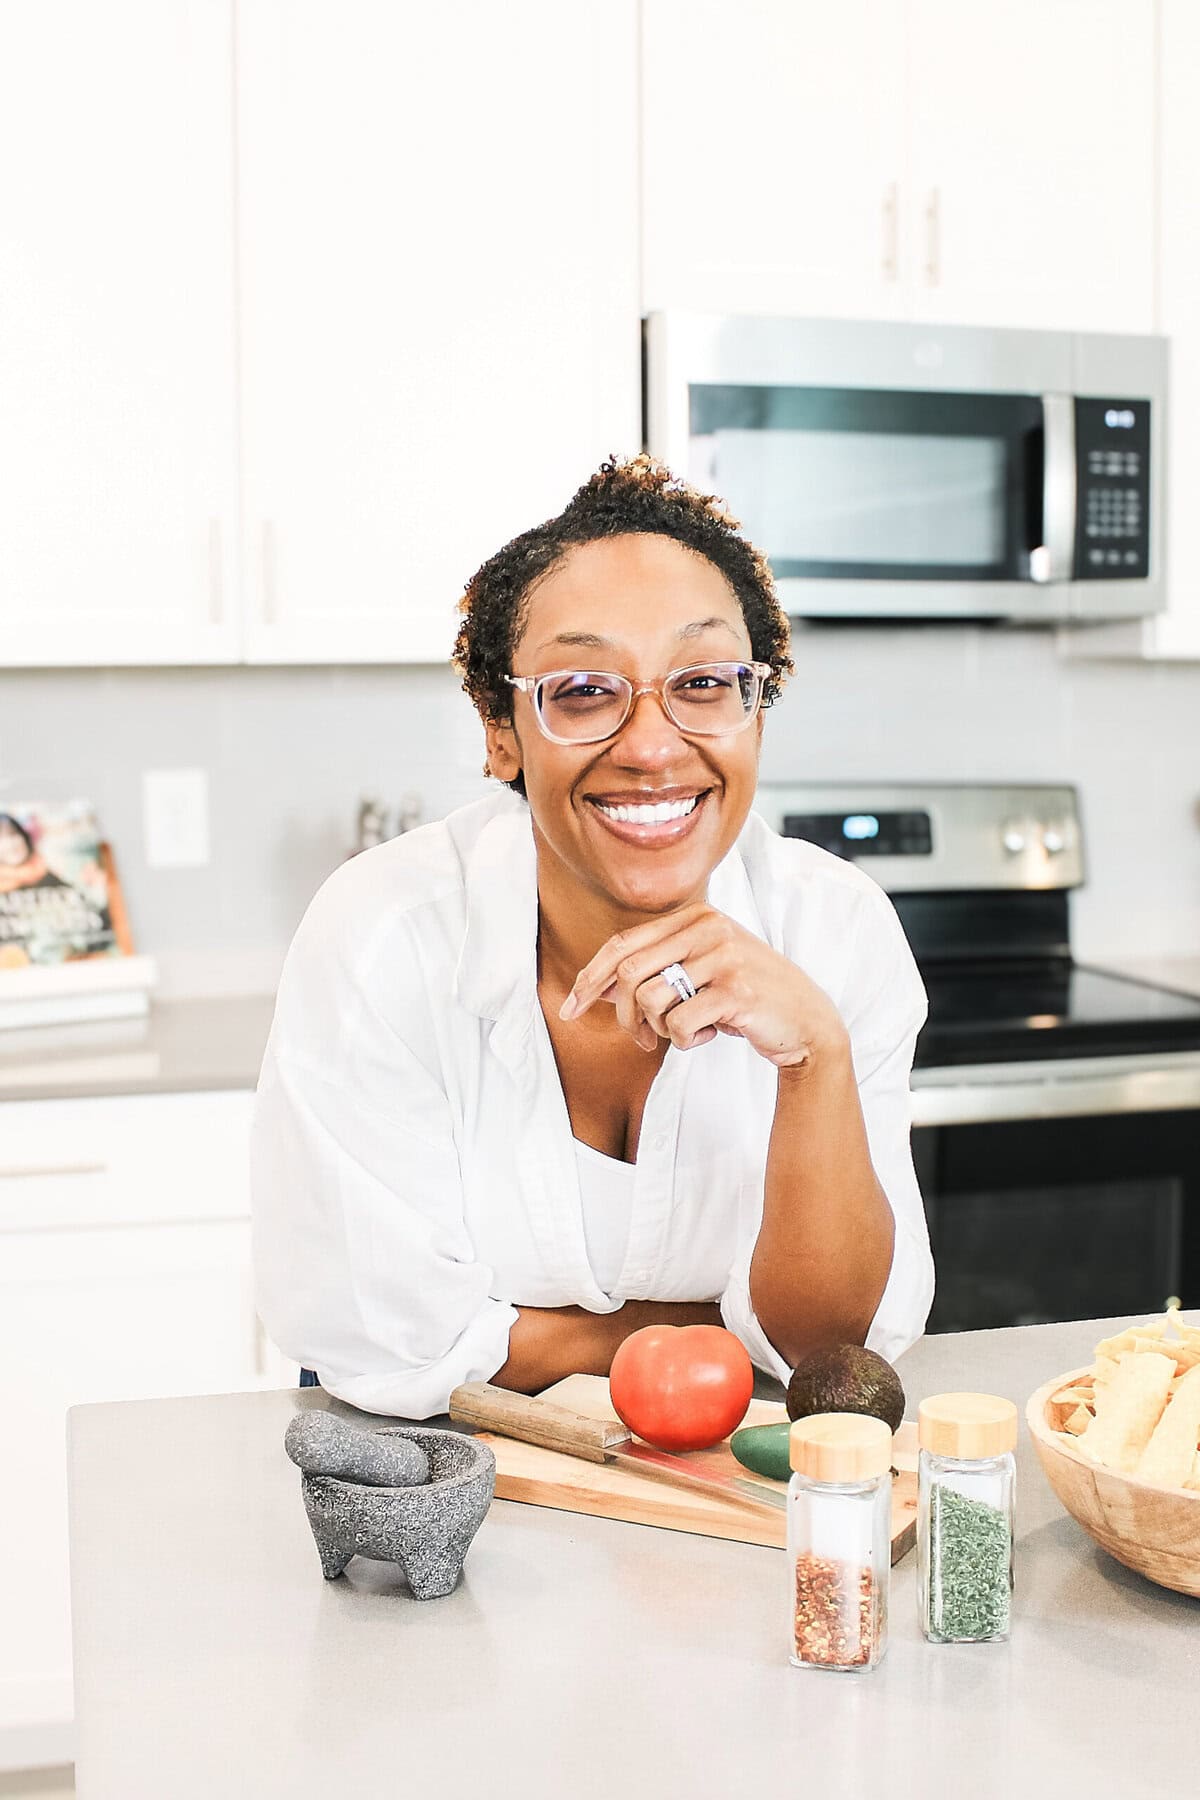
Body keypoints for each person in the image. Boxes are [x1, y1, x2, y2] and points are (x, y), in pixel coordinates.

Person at [251, 455, 933, 1417]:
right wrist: (709, 1333)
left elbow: (828, 1352)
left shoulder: (834, 929)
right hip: (436, 1486)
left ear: (755, 713)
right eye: (582, 691)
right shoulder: (383, 936)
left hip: (734, 1497)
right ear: (500, 729)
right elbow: (382, 1336)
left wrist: (814, 1059)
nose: (652, 747)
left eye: (701, 682)